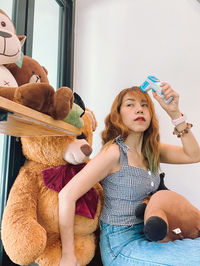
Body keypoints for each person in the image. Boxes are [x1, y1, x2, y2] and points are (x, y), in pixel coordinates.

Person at [59, 83, 200, 266]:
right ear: (119, 115)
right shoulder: (115, 152)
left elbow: (194, 155)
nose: (139, 109)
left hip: (152, 238)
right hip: (120, 245)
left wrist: (174, 113)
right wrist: (68, 255)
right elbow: (66, 195)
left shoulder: (153, 150)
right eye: (130, 104)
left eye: (144, 105)